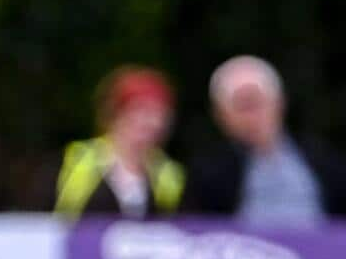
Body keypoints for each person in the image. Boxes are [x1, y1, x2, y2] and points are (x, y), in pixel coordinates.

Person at [182, 56, 346, 224]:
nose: (251, 115)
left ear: (280, 102)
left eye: (257, 102)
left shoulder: (323, 158)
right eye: (242, 105)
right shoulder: (207, 173)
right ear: (220, 115)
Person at [53, 66, 182, 218]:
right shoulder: (75, 161)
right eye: (141, 111)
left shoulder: (169, 173)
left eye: (160, 115)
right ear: (117, 112)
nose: (152, 122)